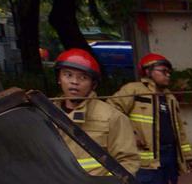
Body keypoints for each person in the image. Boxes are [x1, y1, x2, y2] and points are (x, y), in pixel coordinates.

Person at [111, 53, 192, 184]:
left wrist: (187, 156)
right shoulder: (134, 90)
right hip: (147, 159)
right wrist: (131, 134)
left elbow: (179, 130)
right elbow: (112, 110)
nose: (167, 75)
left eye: (169, 72)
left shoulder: (170, 97)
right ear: (147, 71)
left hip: (170, 155)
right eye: (163, 71)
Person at [54, 48, 140, 176]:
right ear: (59, 78)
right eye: (68, 75)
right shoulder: (45, 111)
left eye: (83, 77)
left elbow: (128, 162)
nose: (74, 82)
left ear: (93, 84)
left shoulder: (112, 117)